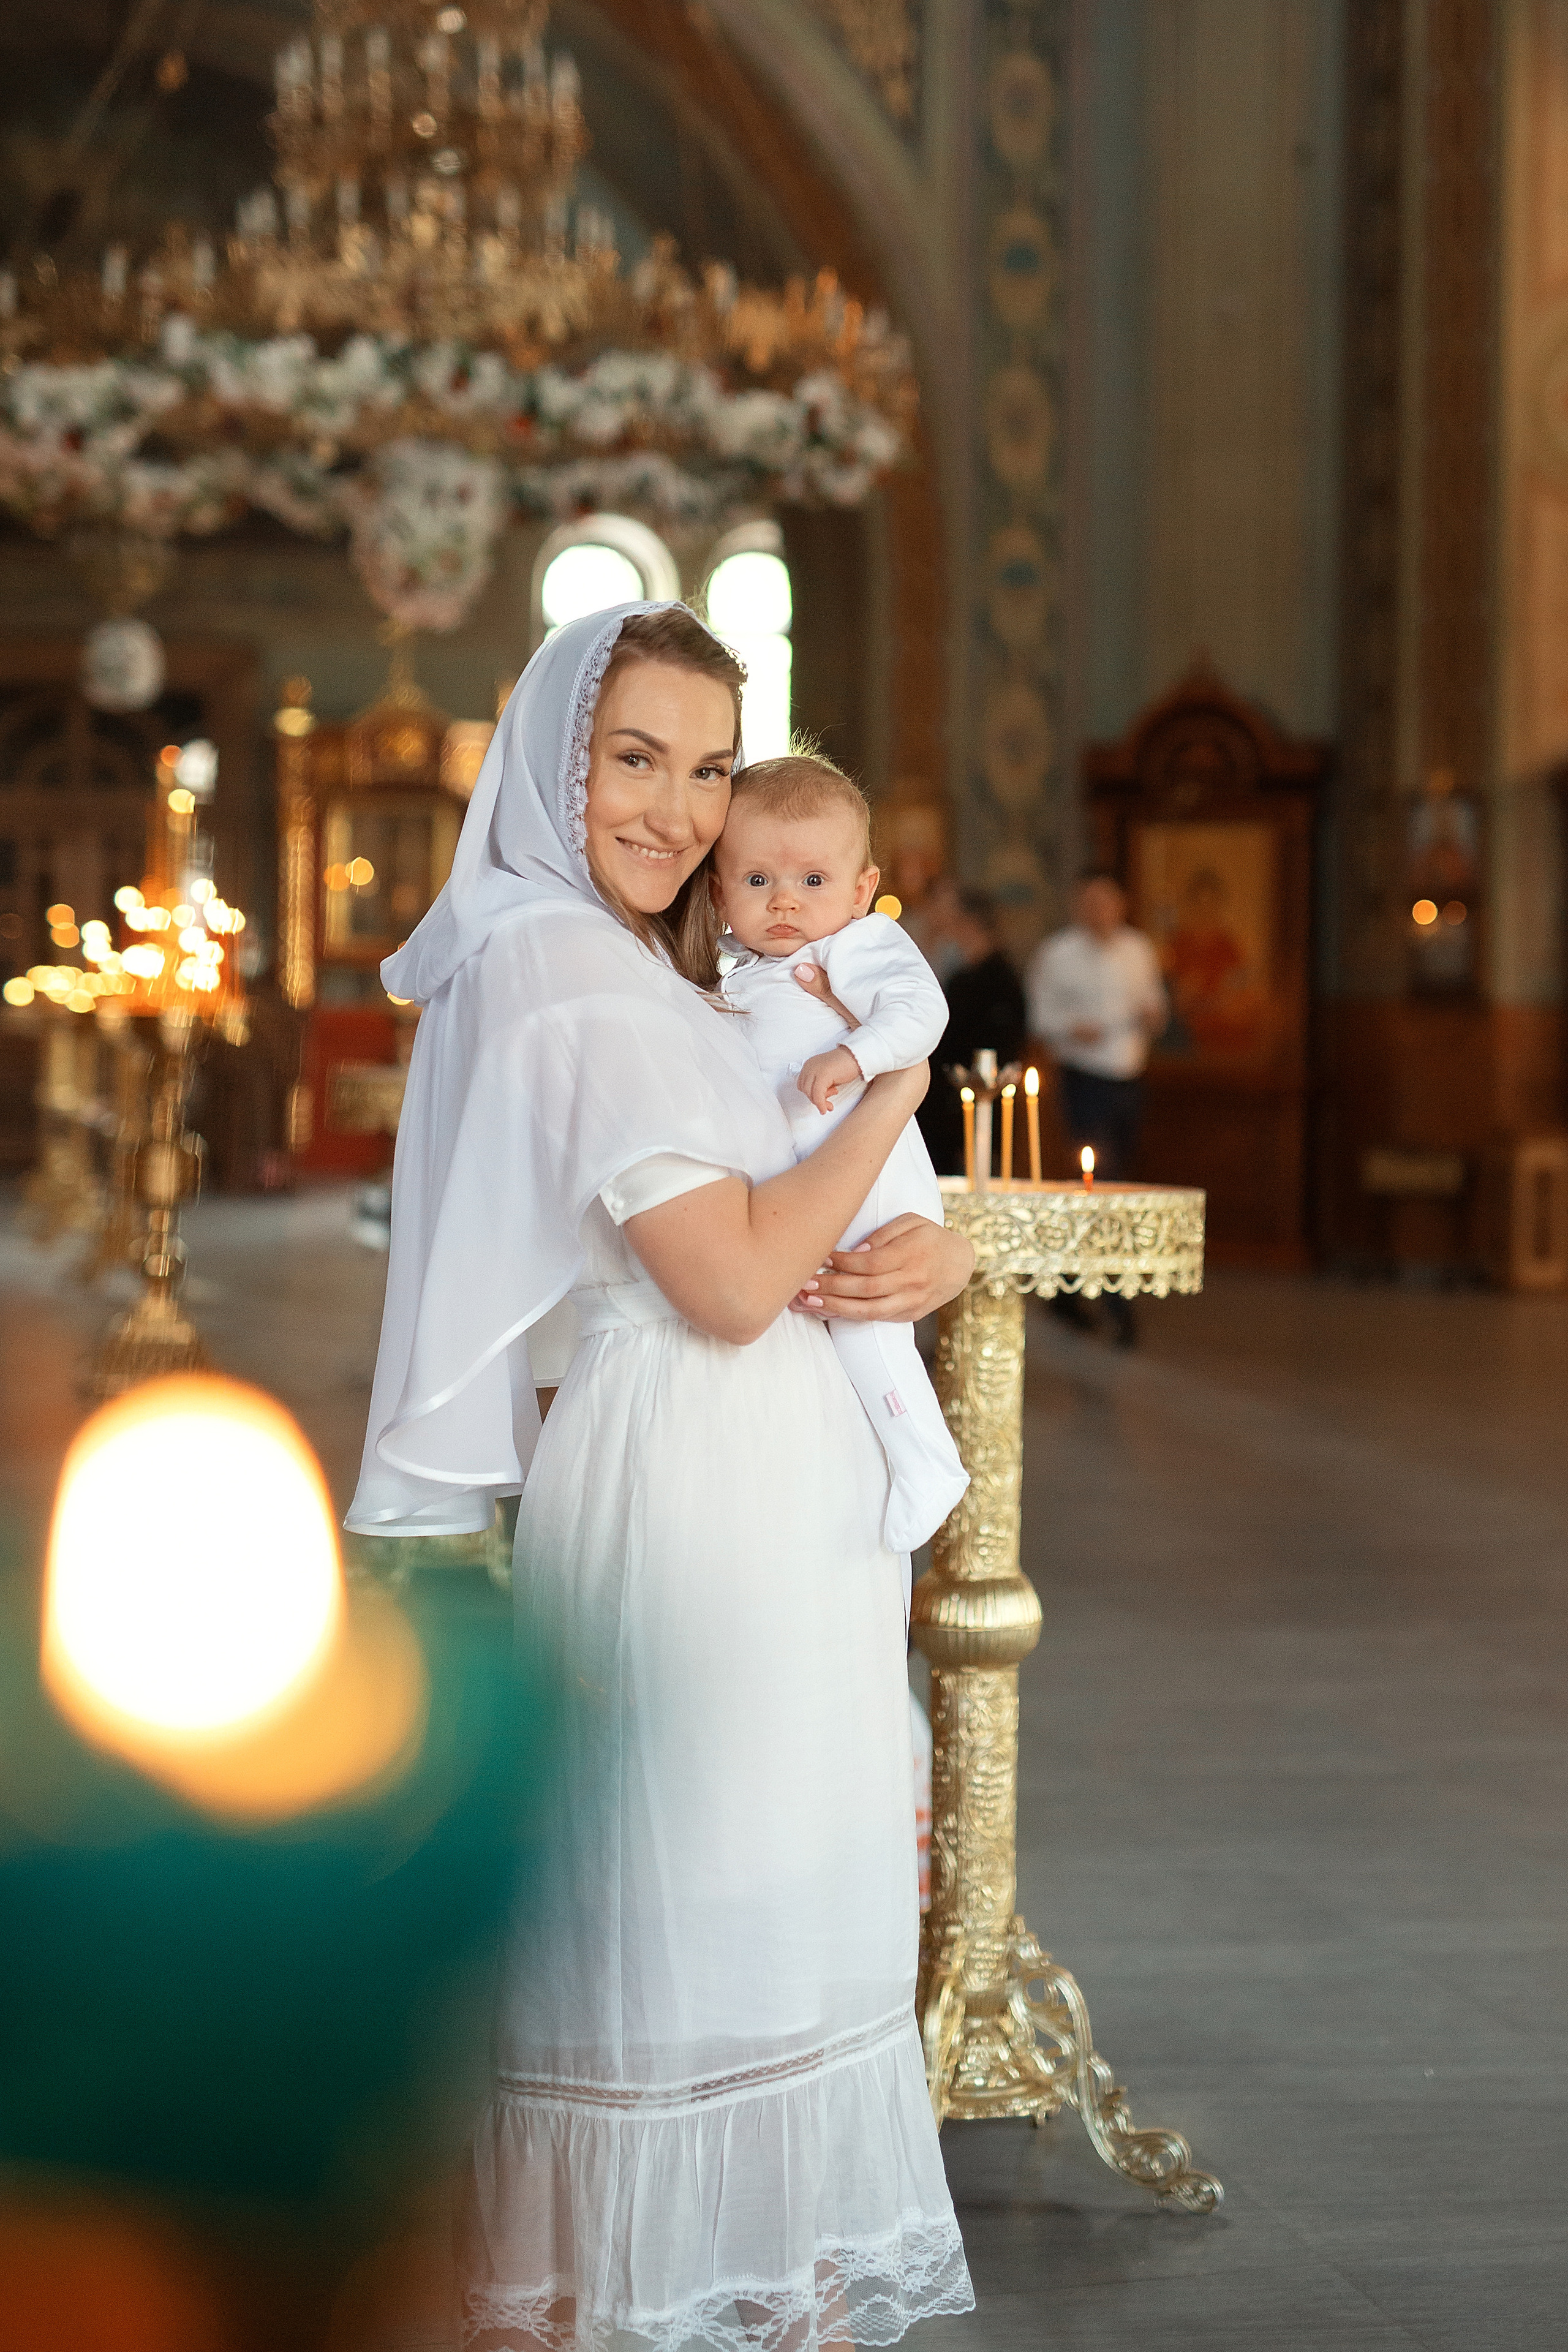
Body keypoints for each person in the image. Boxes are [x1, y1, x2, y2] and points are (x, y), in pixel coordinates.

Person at [345, 603, 976, 2352]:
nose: (683, 812)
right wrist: (899, 1094)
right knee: (680, 1907)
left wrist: (936, 1253)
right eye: (637, 761)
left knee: (770, 1898)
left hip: (773, 1481)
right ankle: (648, 2300)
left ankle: (769, 2292)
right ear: (559, 766)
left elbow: (793, 1197)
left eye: (709, 767)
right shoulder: (557, 960)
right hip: (688, 1475)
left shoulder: (665, 966)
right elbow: (725, 1278)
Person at [712, 752, 968, 1562]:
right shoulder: (737, 972)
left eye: (813, 881)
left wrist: (858, 1057)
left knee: (865, 1328)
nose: (785, 900)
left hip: (874, 1184)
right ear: (718, 891)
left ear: (862, 890)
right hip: (805, 1195)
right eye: (756, 881)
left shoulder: (857, 947)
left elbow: (921, 1013)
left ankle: (927, 1466)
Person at [1026, 869, 1168, 1343]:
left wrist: (1154, 1015)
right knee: (1097, 1182)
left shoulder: (1138, 949)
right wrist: (1071, 1029)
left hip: (1131, 1078)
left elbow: (1154, 1005)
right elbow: (1042, 1017)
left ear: (1121, 905)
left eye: (1108, 902)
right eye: (1090, 902)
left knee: (1118, 1183)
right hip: (1084, 1078)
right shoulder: (1058, 953)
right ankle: (1118, 1305)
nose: (1099, 912)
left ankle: (1067, 1288)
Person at [915, 884, 1028, 1177]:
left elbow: (1000, 1045)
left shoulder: (1000, 980)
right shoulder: (962, 976)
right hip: (947, 1103)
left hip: (976, 1100)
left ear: (969, 924)